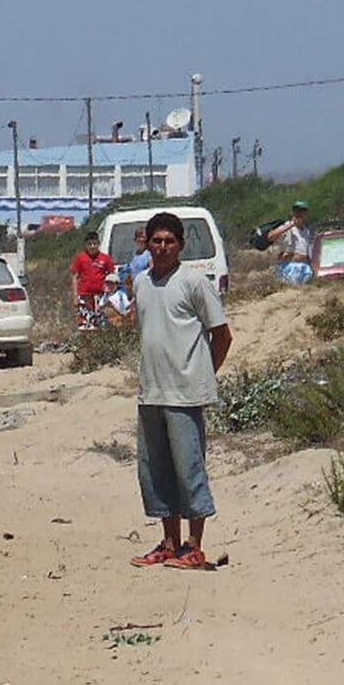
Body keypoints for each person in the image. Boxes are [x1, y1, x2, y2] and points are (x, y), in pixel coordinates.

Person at [128, 211, 232, 572]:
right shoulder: (140, 282)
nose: (162, 247)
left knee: (189, 469)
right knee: (155, 472)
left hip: (185, 394)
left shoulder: (194, 282)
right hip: (151, 392)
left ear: (181, 245)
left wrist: (203, 375)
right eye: (156, 241)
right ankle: (168, 542)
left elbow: (222, 335)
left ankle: (194, 545)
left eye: (169, 241)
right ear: (147, 244)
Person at [70, 231, 116, 330]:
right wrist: (75, 296)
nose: (92, 246)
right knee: (85, 324)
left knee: (101, 323)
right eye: (89, 244)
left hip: (101, 296)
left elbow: (112, 275)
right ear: (86, 245)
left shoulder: (105, 258)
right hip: (84, 294)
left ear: (98, 244)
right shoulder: (81, 258)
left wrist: (110, 290)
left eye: (94, 244)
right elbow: (75, 276)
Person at [266, 200, 313, 284]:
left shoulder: (306, 231)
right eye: (297, 211)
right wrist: (291, 225)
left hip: (305, 266)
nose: (299, 214)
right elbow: (271, 236)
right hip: (290, 267)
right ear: (292, 212)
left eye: (302, 211)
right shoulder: (287, 226)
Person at [122, 225, 152, 299]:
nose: (141, 240)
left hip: (146, 289)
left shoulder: (150, 253)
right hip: (135, 288)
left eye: (143, 237)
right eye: (139, 237)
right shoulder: (135, 254)